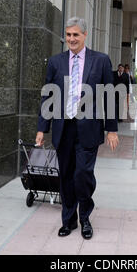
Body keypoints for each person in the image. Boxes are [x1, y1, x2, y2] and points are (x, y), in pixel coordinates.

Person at [35, 17, 119, 240]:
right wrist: (42, 128)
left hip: (89, 128)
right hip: (63, 128)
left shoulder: (100, 61)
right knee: (66, 177)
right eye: (69, 35)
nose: (71, 39)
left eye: (76, 35)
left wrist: (111, 130)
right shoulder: (56, 62)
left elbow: (109, 96)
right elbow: (48, 97)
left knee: (82, 174)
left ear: (85, 35)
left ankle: (85, 218)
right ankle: (68, 220)